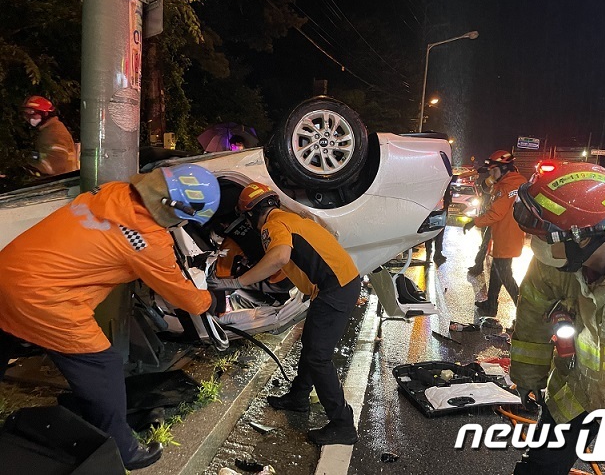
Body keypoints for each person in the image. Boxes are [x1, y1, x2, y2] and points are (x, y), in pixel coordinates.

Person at [0, 164, 221, 470]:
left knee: (5, 332)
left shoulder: (111, 191)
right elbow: (186, 299)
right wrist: (212, 299)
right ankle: (124, 449)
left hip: (8, 269)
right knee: (100, 365)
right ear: (174, 209)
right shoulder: (149, 242)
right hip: (45, 298)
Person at [510, 161, 605, 474]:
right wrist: (528, 378)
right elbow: (531, 319)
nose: (537, 246)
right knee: (540, 468)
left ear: (586, 238)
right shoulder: (555, 264)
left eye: (546, 237)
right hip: (574, 392)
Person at [208, 182, 361, 445]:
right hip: (336, 285)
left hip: (335, 288)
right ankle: (299, 398)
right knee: (311, 347)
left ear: (251, 213)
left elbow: (279, 257)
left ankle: (342, 424)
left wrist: (237, 282)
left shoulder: (273, 225)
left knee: (318, 357)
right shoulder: (292, 219)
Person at [463, 150, 526, 316]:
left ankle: (525, 313)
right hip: (504, 235)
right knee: (498, 273)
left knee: (506, 276)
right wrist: (492, 179)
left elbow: (496, 213)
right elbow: (487, 190)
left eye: (493, 170)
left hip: (508, 237)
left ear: (504, 169)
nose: (491, 173)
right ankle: (491, 305)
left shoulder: (509, 186)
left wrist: (474, 222)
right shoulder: (507, 183)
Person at [22, 95, 79, 176]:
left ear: (45, 113)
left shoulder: (54, 132)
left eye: (32, 113)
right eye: (26, 113)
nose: (28, 117)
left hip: (61, 183)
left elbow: (55, 163)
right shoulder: (47, 130)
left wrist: (32, 168)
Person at [467, 172, 496, 275]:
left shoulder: (506, 187)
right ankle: (478, 266)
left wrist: (475, 222)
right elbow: (484, 187)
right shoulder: (497, 184)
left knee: (503, 267)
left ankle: (479, 267)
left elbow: (496, 212)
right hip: (492, 221)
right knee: (484, 243)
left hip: (499, 223)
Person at [425, 174, 456, 265]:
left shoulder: (437, 181)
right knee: (437, 231)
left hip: (436, 208)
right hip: (439, 209)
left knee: (433, 231)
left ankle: (432, 253)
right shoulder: (443, 181)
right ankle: (435, 253)